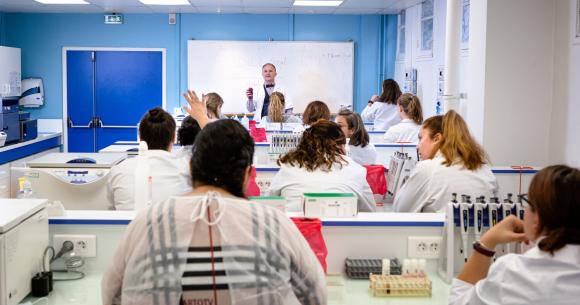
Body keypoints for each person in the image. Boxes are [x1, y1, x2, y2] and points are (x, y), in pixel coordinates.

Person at [102, 118, 327, 305]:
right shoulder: (274, 224)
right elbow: (316, 296)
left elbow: (111, 294)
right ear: (248, 174)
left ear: (190, 168)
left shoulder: (147, 223)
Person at [449, 165, 580, 305]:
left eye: (528, 203)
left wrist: (487, 242)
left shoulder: (511, 272)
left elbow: (459, 302)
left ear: (538, 218)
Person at [393, 110, 498, 212]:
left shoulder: (428, 170)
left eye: (421, 138)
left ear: (436, 139)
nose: (417, 146)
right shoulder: (485, 170)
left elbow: (399, 211)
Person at [268, 119, 375, 213]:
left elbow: (270, 201)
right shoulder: (355, 169)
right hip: (342, 232)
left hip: (296, 231)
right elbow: (370, 212)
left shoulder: (289, 166)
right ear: (340, 144)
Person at [106, 108, 191, 210]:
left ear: (140, 137)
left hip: (128, 225)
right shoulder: (187, 170)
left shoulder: (118, 171)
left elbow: (111, 211)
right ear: (173, 137)